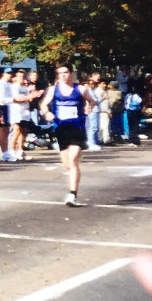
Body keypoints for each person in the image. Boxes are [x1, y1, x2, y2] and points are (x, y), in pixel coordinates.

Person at [39, 62, 97, 207]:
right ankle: (73, 180)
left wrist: (89, 107)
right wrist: (47, 113)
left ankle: (72, 194)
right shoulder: (53, 90)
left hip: (77, 127)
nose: (63, 76)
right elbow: (43, 104)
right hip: (61, 128)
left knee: (73, 160)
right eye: (60, 73)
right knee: (67, 164)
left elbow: (92, 101)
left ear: (71, 73)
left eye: (65, 73)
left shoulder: (81, 89)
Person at [0, 68, 15, 160]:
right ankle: (5, 153)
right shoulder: (0, 84)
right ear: (3, 74)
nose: (10, 75)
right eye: (8, 73)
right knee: (3, 130)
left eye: (11, 73)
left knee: (8, 130)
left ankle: (9, 151)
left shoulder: (10, 84)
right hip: (2, 108)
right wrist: (13, 99)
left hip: (10, 107)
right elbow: (1, 99)